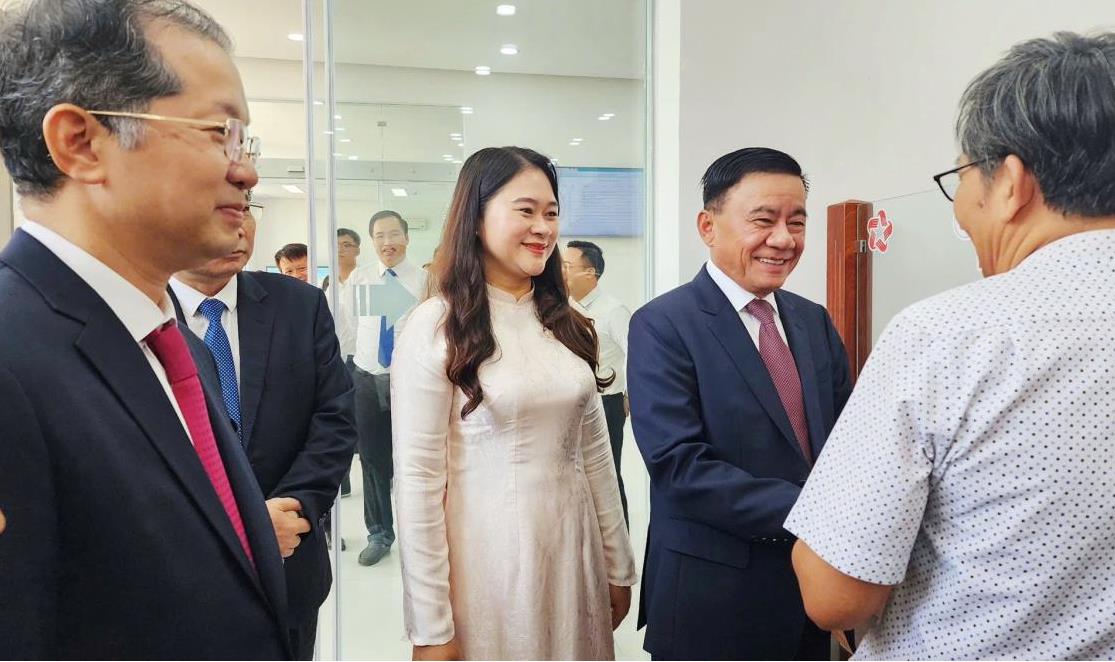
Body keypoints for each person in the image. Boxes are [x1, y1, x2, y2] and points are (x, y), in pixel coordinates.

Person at [786, 32, 1115, 660]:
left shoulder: (947, 334)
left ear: (1011, 181)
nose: (960, 205)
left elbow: (834, 595)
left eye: (960, 177)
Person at [0, 1, 291, 657]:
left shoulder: (173, 345)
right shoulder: (11, 362)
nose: (246, 171)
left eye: (243, 141)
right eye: (218, 132)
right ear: (81, 143)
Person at [392, 146, 637, 660]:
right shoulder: (436, 325)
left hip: (573, 553)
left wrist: (617, 565)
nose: (543, 228)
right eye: (525, 211)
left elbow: (595, 458)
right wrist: (431, 626)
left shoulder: (567, 321)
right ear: (476, 217)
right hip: (488, 564)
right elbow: (417, 482)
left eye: (551, 213)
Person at [628, 147, 852, 660]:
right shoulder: (664, 324)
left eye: (797, 222)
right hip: (713, 598)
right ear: (708, 226)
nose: (784, 239)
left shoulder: (812, 321)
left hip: (813, 591)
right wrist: (818, 512)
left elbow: (846, 441)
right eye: (763, 220)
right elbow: (679, 466)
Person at [169, 206, 358, 659]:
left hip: (290, 563)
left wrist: (294, 509)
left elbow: (334, 419)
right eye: (213, 204)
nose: (236, 223)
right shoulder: (134, 315)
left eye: (244, 203)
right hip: (179, 582)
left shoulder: (300, 305)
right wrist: (245, 527)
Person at [349, 210, 426, 566]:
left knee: (414, 460)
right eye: (379, 236)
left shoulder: (425, 282)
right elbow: (353, 326)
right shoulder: (361, 278)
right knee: (372, 459)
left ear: (407, 238)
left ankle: (418, 535)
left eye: (394, 234)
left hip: (411, 382)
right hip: (367, 378)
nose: (387, 242)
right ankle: (379, 534)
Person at [564, 239, 632, 525]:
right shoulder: (563, 308)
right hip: (571, 404)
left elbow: (637, 353)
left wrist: (629, 395)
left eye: (567, 266)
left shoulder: (613, 310)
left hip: (606, 405)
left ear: (590, 273)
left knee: (608, 475)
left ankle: (620, 541)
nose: (561, 272)